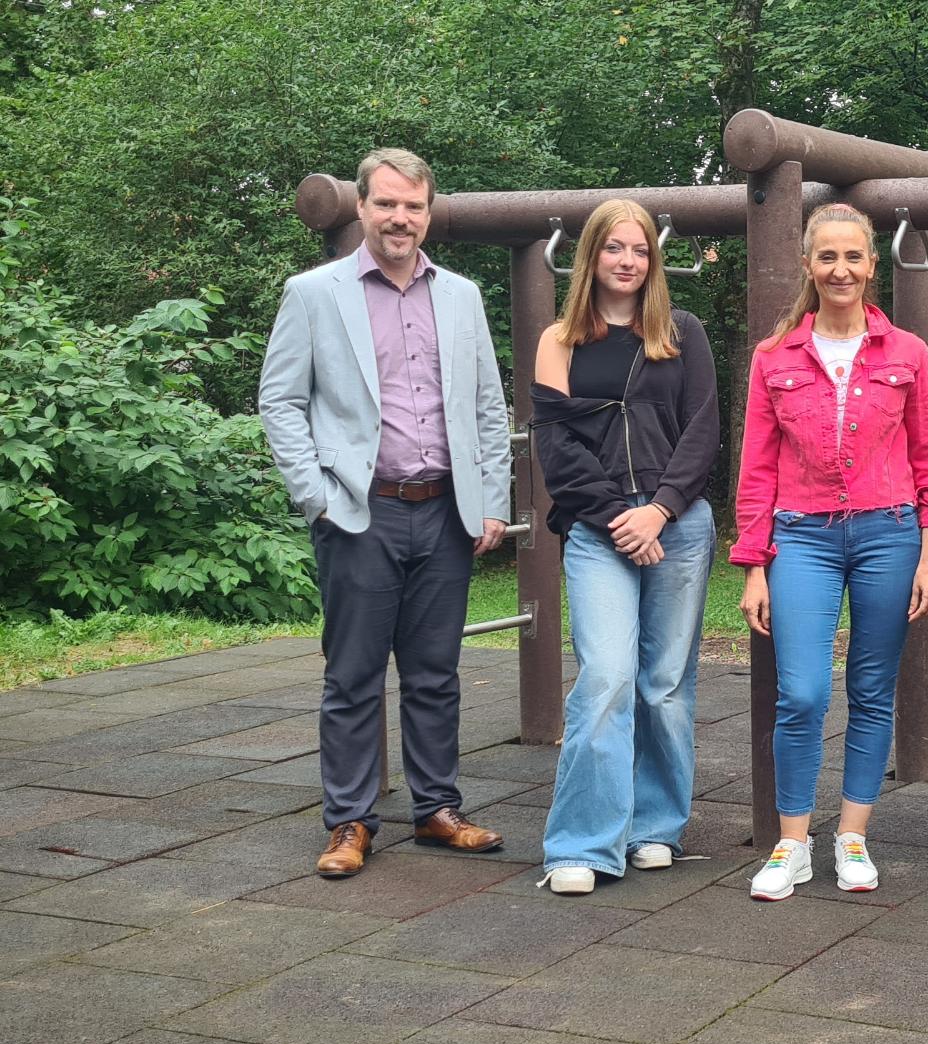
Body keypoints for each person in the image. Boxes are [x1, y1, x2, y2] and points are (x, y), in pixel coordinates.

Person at [259, 148, 511, 878]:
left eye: (414, 206)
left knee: (436, 673)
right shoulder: (313, 294)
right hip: (357, 511)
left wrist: (492, 498)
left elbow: (487, 406)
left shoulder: (461, 295)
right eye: (387, 204)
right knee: (353, 677)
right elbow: (280, 400)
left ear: (428, 213)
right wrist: (317, 496)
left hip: (444, 512)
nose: (401, 218)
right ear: (361, 208)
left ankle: (436, 809)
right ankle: (348, 822)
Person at [732, 203, 928, 900]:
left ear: (870, 264)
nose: (841, 270)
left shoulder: (906, 353)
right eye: (827, 257)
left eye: (853, 257)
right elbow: (756, 468)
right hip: (802, 535)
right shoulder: (775, 358)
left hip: (889, 533)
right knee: (800, 693)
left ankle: (852, 835)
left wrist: (927, 554)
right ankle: (791, 843)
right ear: (807, 265)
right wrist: (754, 564)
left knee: (870, 689)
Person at [529, 200, 720, 896]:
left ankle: (654, 826)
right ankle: (581, 844)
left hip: (680, 526)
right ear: (591, 257)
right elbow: (557, 447)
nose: (628, 260)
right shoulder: (560, 341)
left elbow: (702, 432)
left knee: (665, 684)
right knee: (606, 677)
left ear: (653, 260)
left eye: (639, 249)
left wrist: (661, 511)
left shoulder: (682, 332)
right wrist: (620, 518)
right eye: (614, 248)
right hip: (597, 530)